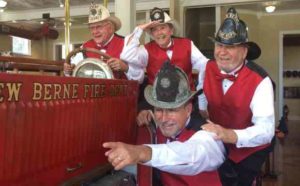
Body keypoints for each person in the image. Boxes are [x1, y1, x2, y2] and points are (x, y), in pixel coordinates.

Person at [103, 62, 225, 186]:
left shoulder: (208, 136)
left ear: (188, 110)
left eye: (172, 110)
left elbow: (189, 155)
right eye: (159, 109)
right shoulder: (158, 122)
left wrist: (141, 152)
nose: (164, 118)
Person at [200, 7, 275, 186]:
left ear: (244, 51)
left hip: (250, 148)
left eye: (230, 47)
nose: (222, 52)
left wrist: (230, 135)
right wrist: (203, 111)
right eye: (219, 45)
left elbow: (266, 131)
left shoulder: (261, 81)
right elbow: (201, 92)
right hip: (219, 141)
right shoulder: (207, 67)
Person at [125, 7, 209, 124]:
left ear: (171, 30)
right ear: (152, 34)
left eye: (163, 27)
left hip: (186, 100)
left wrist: (202, 100)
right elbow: (126, 55)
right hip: (157, 102)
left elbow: (205, 66)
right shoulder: (146, 50)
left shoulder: (187, 44)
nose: (159, 33)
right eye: (154, 30)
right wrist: (139, 29)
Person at [63, 3, 143, 81]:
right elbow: (73, 77)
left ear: (110, 28)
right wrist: (69, 70)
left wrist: (125, 68)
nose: (95, 32)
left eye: (99, 27)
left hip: (120, 93)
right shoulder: (84, 47)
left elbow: (140, 78)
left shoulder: (127, 44)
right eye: (92, 28)